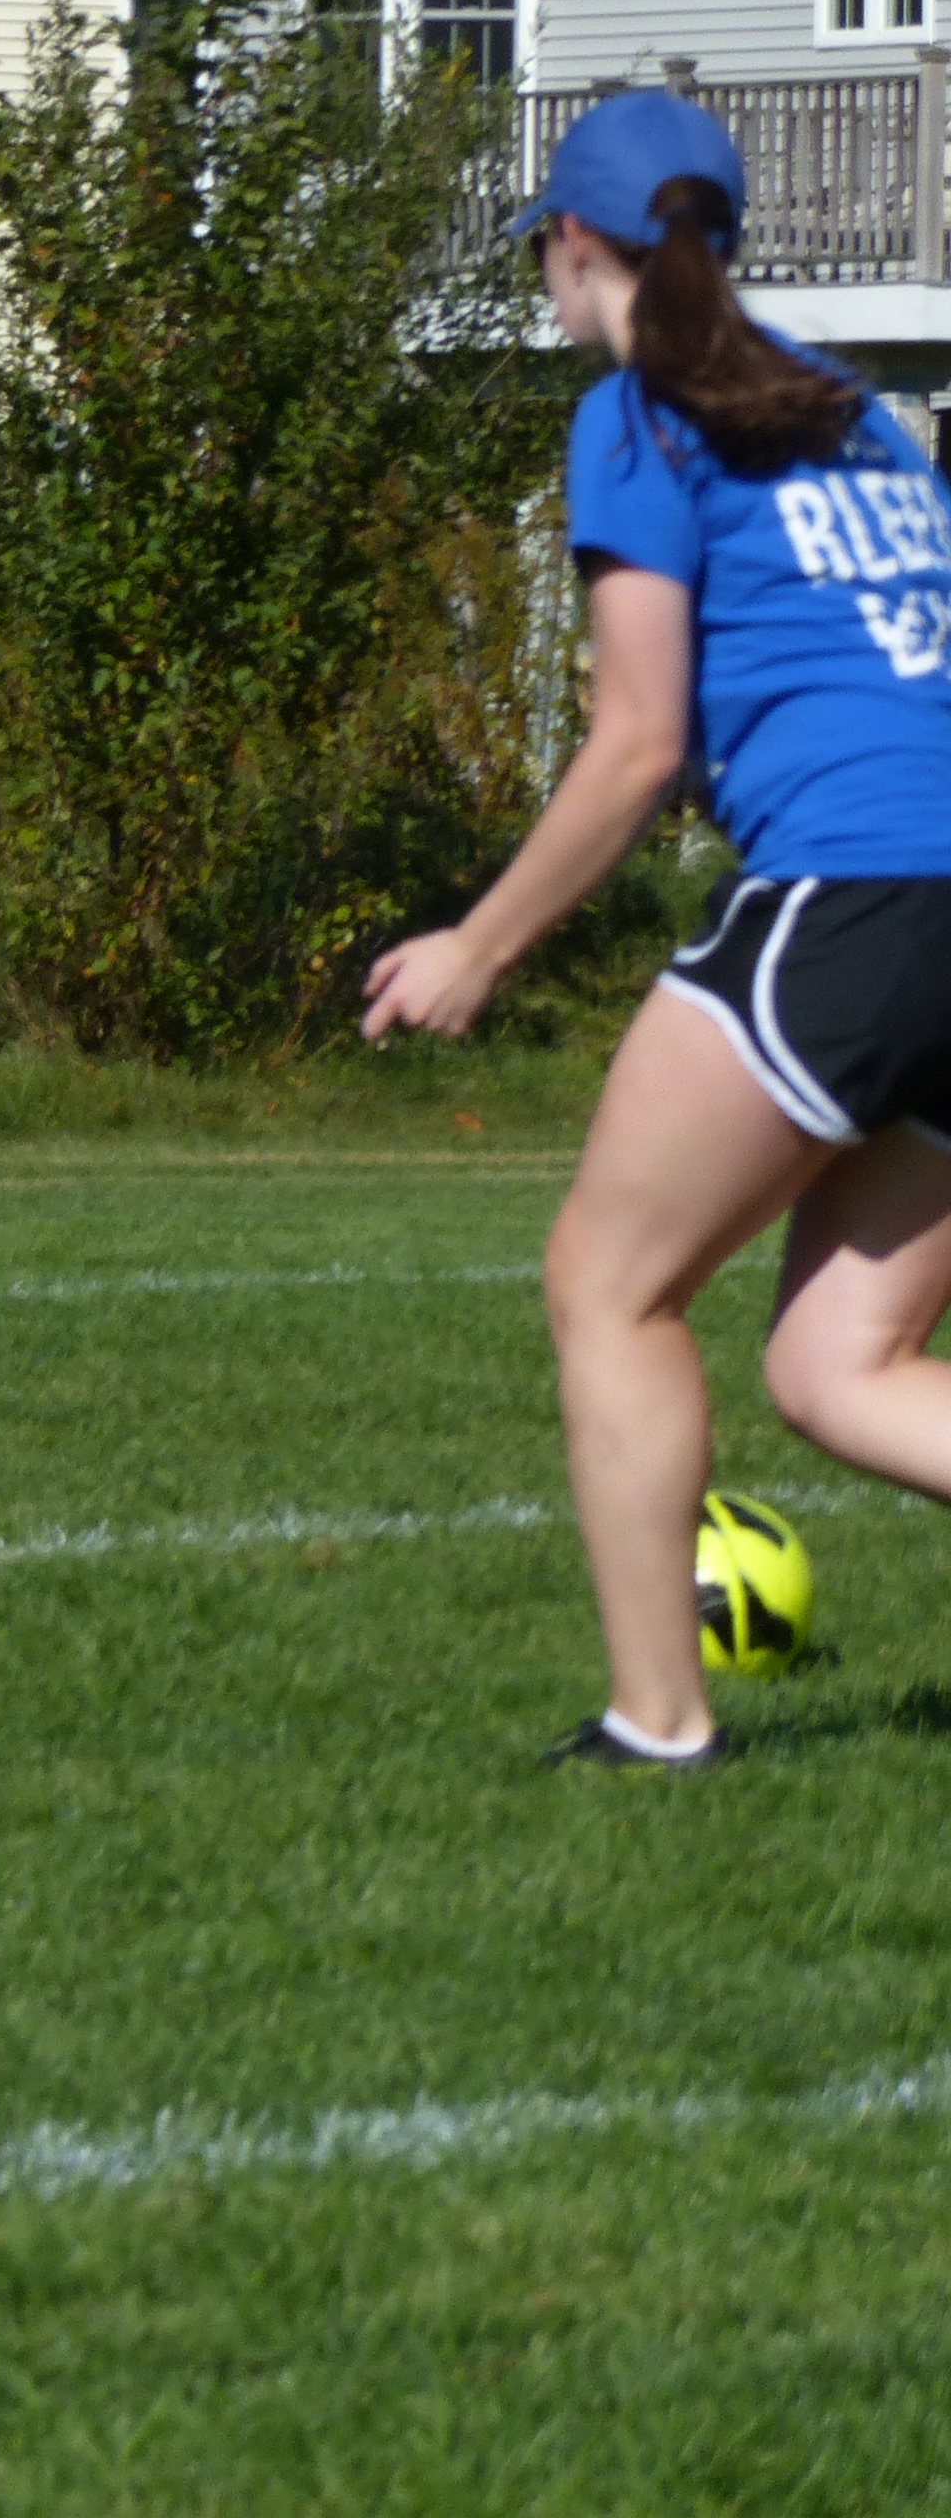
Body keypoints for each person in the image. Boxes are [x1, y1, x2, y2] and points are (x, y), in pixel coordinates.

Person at [364, 88, 951, 1769]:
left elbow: (633, 745)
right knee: (840, 1365)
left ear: (575, 245)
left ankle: (659, 1723)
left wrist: (478, 946)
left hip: (851, 896)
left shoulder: (637, 417)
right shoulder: (860, 415)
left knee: (607, 1284)